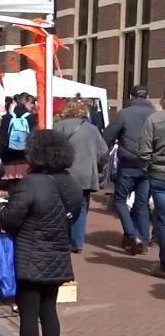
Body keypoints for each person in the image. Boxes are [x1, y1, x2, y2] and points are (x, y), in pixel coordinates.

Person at [0, 130, 82, 336]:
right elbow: (74, 215)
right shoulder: (71, 183)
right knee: (49, 311)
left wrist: (5, 211)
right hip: (57, 255)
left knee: (28, 313)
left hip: (31, 254)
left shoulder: (31, 183)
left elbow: (10, 219)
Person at [103, 85, 155, 254]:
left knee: (120, 200)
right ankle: (144, 241)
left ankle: (133, 235)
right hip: (148, 165)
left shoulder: (124, 113)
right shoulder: (155, 115)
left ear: (131, 96)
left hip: (128, 164)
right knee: (142, 204)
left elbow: (107, 136)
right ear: (147, 96)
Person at [54, 100, 108, 253]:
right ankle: (77, 242)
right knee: (82, 207)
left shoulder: (59, 127)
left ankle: (63, 238)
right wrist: (97, 166)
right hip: (86, 174)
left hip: (65, 172)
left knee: (61, 205)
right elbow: (103, 152)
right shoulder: (92, 129)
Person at [138, 94, 165, 272]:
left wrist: (147, 166)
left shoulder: (154, 119)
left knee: (163, 220)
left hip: (159, 175)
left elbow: (144, 150)